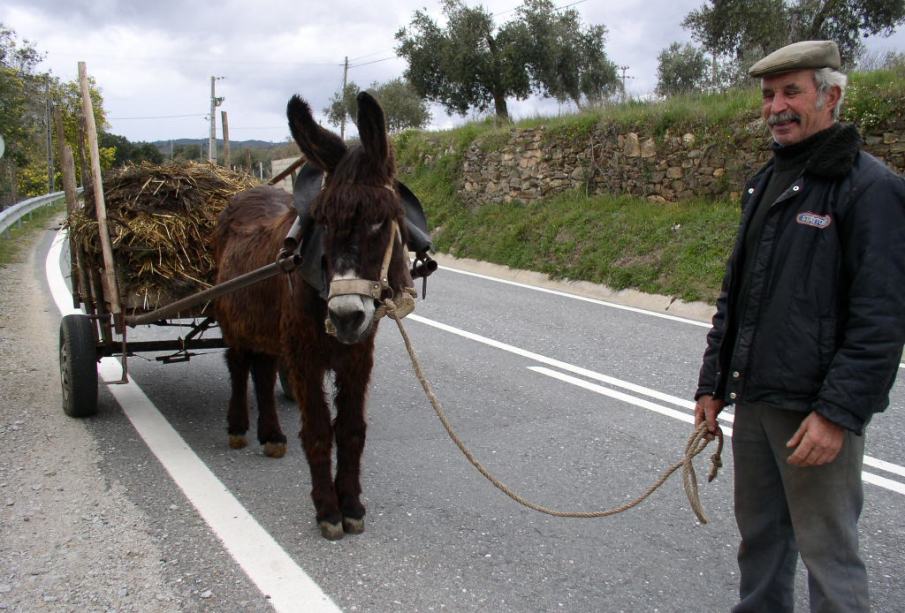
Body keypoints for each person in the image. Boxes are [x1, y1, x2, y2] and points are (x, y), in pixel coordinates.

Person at [693, 40, 905, 612]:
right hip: (756, 401)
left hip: (815, 412)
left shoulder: (870, 188)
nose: (776, 107)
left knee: (828, 553)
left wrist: (838, 413)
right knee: (760, 540)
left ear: (830, 96)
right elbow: (737, 295)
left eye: (792, 92)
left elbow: (881, 318)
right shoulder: (767, 182)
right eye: (768, 95)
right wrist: (712, 383)